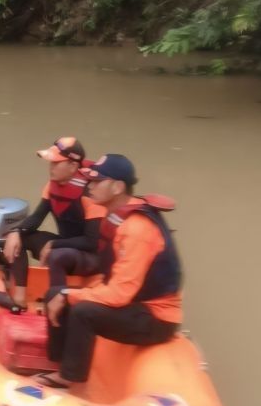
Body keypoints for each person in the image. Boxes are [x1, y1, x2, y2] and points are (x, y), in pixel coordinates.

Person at [37, 154, 182, 389]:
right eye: (90, 180)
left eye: (97, 182)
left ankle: (70, 377)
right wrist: (64, 292)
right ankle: (56, 364)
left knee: (81, 310)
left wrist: (70, 294)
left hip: (156, 318)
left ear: (117, 187)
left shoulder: (137, 229)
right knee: (55, 292)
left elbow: (119, 294)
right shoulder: (117, 215)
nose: (89, 186)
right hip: (135, 303)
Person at [2, 137, 105, 309]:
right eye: (51, 163)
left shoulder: (91, 193)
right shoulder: (52, 186)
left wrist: (54, 243)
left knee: (58, 254)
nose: (51, 167)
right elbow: (36, 219)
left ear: (73, 166)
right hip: (64, 246)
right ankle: (20, 298)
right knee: (19, 238)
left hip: (91, 258)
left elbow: (92, 241)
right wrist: (16, 231)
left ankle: (57, 305)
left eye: (56, 163)